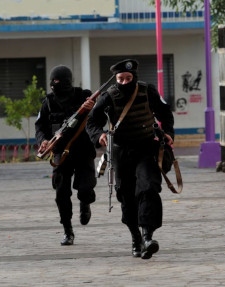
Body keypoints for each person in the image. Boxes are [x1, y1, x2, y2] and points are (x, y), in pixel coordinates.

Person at [86, 59, 175, 259]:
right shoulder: (109, 96)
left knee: (148, 187)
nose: (125, 82)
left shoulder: (147, 91)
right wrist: (98, 135)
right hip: (121, 151)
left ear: (134, 77)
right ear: (116, 79)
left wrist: (168, 132)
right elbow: (92, 121)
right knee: (126, 196)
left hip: (146, 148)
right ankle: (136, 237)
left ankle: (148, 236)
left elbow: (165, 113)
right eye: (121, 79)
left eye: (128, 78)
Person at [35, 65, 97, 245]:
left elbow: (98, 116)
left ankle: (85, 204)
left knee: (85, 188)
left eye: (58, 81)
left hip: (83, 150)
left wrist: (91, 107)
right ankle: (67, 230)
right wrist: (44, 141)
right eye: (52, 81)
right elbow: (40, 127)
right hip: (60, 153)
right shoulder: (48, 102)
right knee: (61, 193)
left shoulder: (84, 96)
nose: (55, 84)